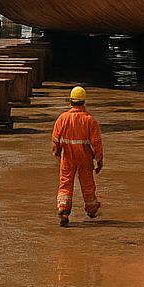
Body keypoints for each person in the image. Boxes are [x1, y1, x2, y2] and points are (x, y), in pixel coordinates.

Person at [52, 86, 103, 227]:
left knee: (65, 183)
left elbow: (55, 138)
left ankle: (63, 210)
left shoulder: (62, 119)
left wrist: (56, 151)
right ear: (83, 102)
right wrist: (99, 160)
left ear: (71, 101)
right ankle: (92, 209)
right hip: (85, 157)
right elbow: (96, 143)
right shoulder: (89, 120)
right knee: (87, 183)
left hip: (67, 157)